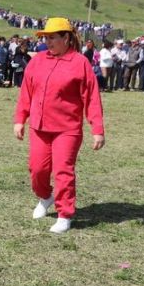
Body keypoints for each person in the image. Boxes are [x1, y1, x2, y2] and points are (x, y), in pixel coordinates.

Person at [13, 17, 104, 234]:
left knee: (63, 171)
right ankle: (46, 197)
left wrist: (97, 129)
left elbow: (91, 97)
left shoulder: (80, 62)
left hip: (67, 129)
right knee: (37, 170)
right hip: (39, 126)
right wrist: (19, 119)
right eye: (45, 37)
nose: (48, 42)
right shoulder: (37, 61)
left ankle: (64, 214)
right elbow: (26, 92)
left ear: (66, 38)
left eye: (52, 37)